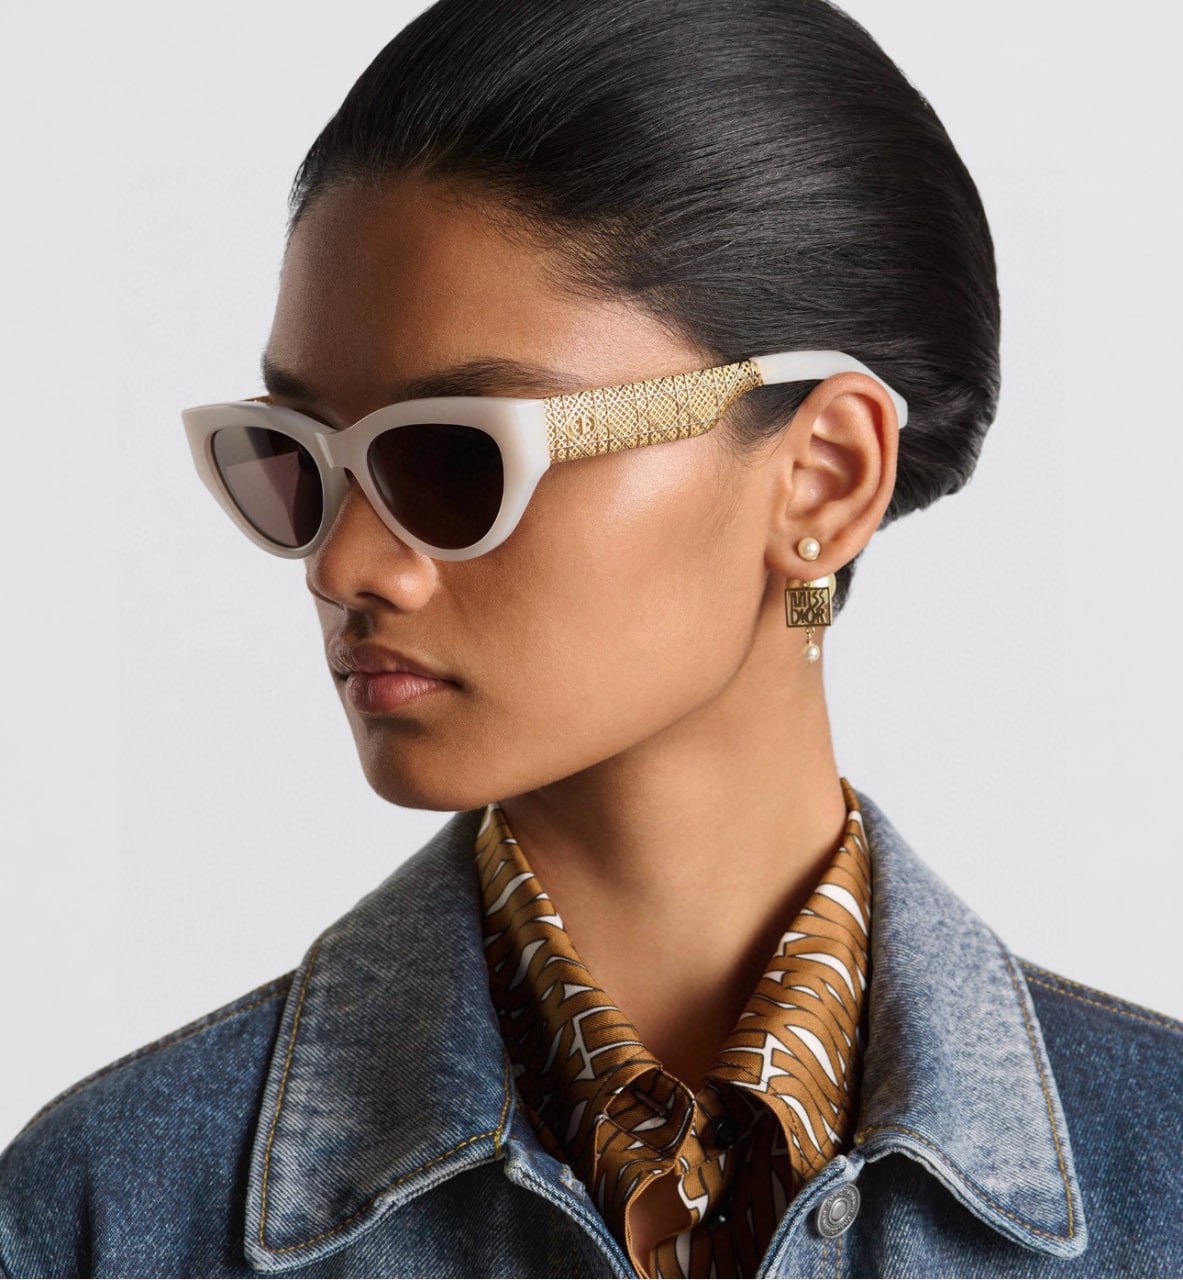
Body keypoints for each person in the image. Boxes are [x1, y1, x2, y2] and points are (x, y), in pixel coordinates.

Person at [1, 0, 1179, 1276]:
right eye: (292, 458)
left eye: (455, 457)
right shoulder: (107, 1218)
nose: (341, 564)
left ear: (824, 479)